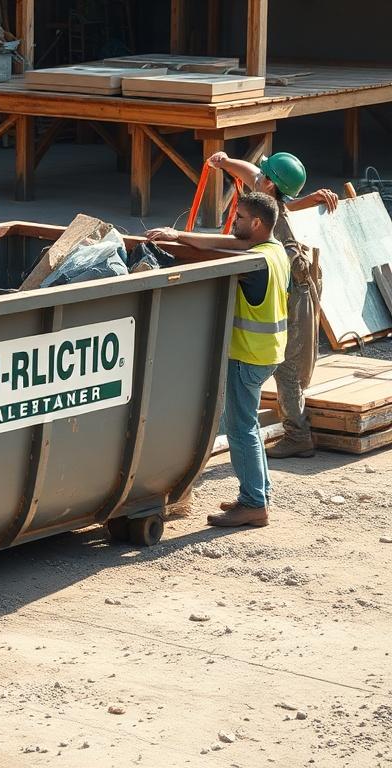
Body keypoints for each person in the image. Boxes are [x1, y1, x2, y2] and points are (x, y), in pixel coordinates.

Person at [147, 192, 289, 528]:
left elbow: (213, 256)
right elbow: (223, 242)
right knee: (249, 426)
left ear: (256, 223)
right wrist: (179, 234)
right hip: (267, 353)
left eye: (238, 217)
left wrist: (176, 242)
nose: (233, 222)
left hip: (247, 355)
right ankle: (258, 495)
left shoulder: (254, 264)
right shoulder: (274, 250)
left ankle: (254, 504)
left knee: (241, 430)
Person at [207, 151, 336, 459]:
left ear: (269, 185)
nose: (257, 176)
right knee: (285, 364)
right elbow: (249, 171)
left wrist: (192, 241)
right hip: (293, 287)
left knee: (289, 367)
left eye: (263, 175)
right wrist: (224, 162)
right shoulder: (266, 194)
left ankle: (298, 435)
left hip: (297, 296)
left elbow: (243, 245)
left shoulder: (272, 222)